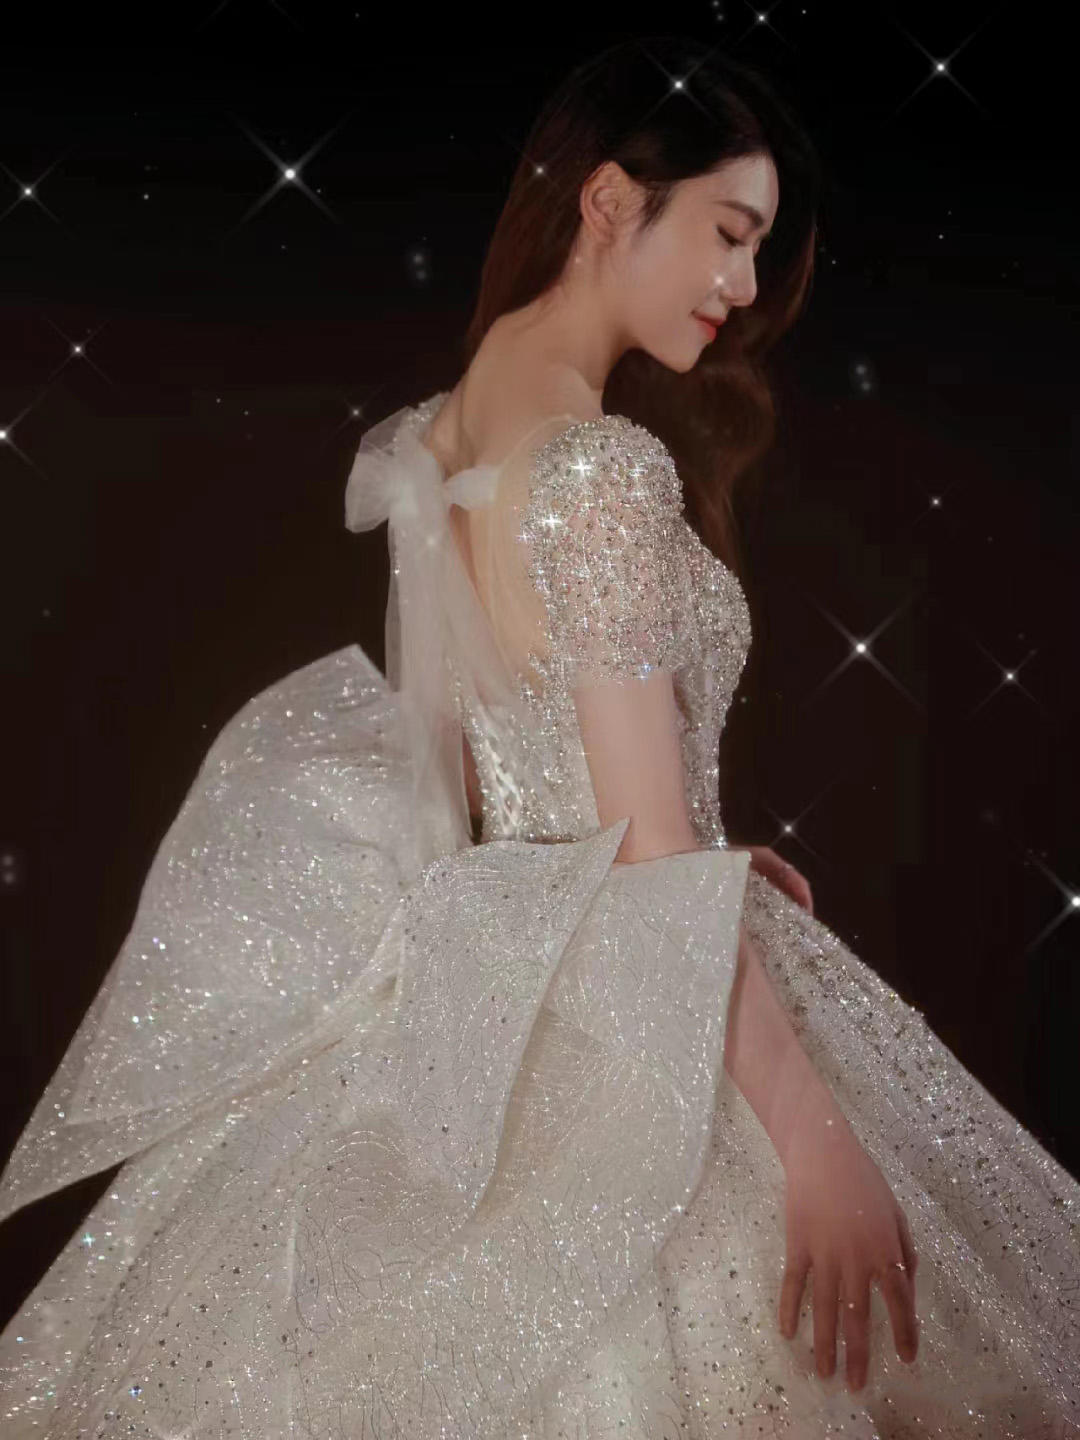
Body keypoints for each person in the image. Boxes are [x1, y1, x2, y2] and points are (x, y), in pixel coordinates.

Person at [1, 35, 1078, 1439]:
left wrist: (691, 854)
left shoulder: (438, 438)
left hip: (519, 997)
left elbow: (483, 788)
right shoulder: (601, 466)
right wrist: (815, 1144)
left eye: (759, 250)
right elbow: (646, 858)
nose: (747, 287)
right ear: (612, 201)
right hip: (650, 996)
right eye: (730, 234)